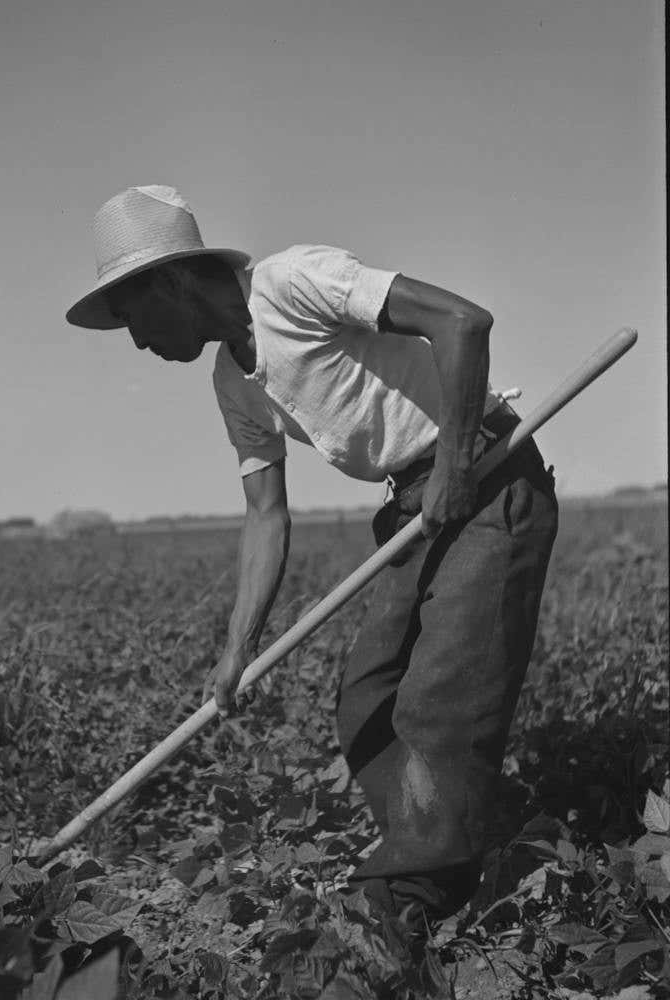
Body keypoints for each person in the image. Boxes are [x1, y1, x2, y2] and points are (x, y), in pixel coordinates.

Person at [65, 184, 558, 927]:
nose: (135, 340)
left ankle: (406, 906)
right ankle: (440, 849)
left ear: (169, 281)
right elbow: (265, 515)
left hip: (486, 477)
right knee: (368, 703)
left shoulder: (293, 284)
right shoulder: (234, 384)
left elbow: (461, 323)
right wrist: (237, 649)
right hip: (413, 508)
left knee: (438, 704)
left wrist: (455, 466)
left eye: (131, 315)